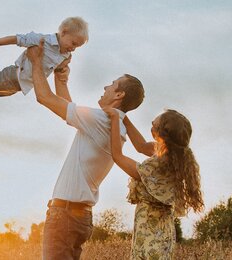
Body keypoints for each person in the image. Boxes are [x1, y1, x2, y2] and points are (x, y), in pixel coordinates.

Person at [26, 39, 145, 260]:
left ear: (119, 95)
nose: (105, 87)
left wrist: (35, 62)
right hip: (77, 216)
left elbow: (45, 97)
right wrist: (60, 75)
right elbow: (68, 108)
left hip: (66, 216)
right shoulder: (112, 124)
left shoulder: (102, 119)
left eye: (112, 84)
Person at [103, 107, 204, 259]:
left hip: (150, 234)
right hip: (162, 232)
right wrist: (124, 118)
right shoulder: (172, 156)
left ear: (162, 133)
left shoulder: (157, 166)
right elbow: (141, 146)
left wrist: (114, 119)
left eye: (153, 125)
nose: (151, 124)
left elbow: (117, 156)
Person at [0, 17, 88, 97]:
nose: (73, 48)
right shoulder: (41, 40)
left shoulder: (65, 55)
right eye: (73, 43)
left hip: (19, 86)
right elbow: (14, 39)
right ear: (64, 33)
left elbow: (59, 71)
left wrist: (65, 69)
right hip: (12, 77)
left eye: (77, 47)